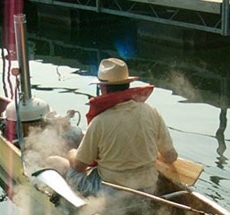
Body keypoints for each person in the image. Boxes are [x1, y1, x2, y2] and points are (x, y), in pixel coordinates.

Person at [48, 58, 178, 196]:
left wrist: (71, 153)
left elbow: (79, 166)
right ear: (127, 85)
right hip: (148, 188)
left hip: (112, 193)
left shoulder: (100, 122)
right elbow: (171, 156)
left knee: (58, 164)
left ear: (103, 88)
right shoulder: (152, 112)